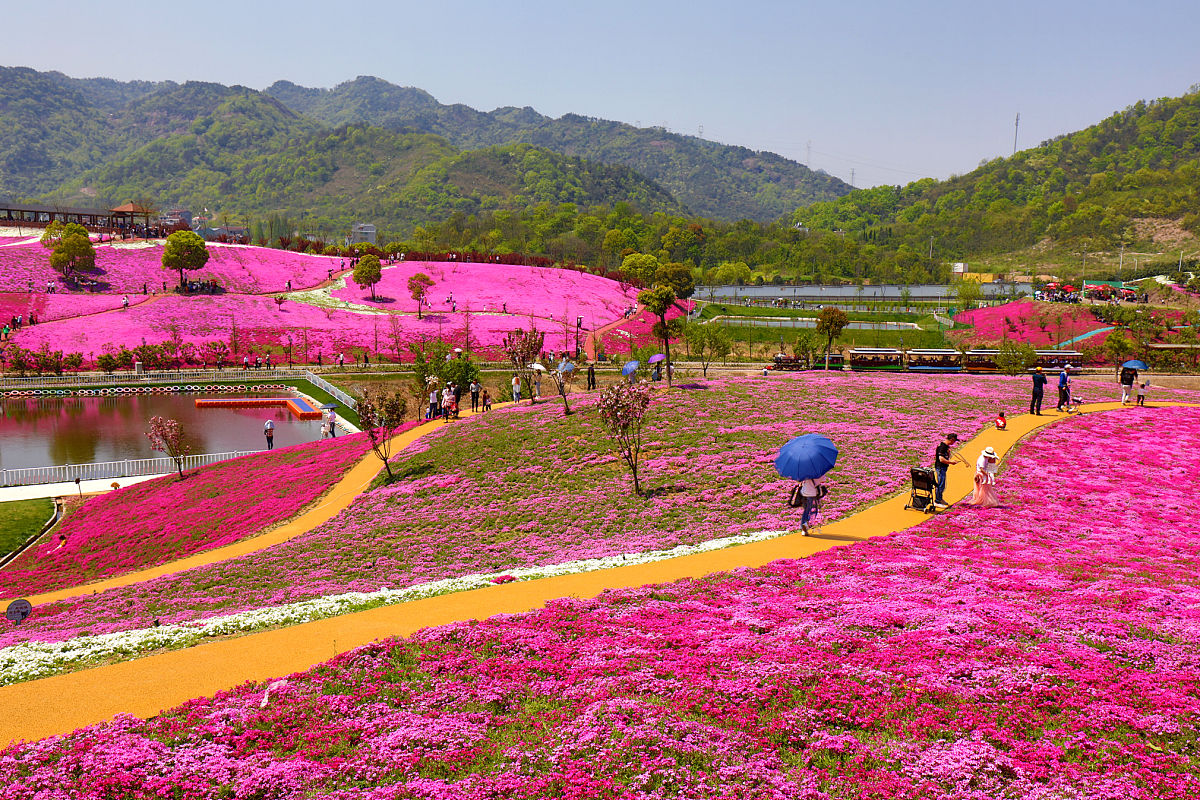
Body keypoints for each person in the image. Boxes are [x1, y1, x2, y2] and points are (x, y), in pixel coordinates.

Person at [933, 432, 965, 508]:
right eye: (954, 441)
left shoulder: (946, 446)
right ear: (952, 439)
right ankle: (937, 501)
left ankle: (940, 499)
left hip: (943, 467)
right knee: (941, 484)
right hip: (940, 467)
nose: (954, 443)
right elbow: (941, 459)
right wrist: (951, 462)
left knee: (942, 484)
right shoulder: (943, 447)